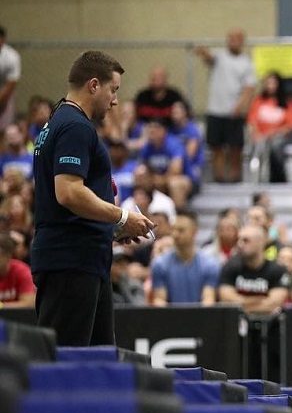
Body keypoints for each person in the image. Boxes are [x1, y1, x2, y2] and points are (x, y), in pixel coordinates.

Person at [30, 51, 154, 345]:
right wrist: (121, 216)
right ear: (94, 85)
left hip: (84, 260)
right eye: (114, 90)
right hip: (71, 262)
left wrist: (112, 228)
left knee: (98, 365)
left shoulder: (59, 122)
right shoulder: (74, 126)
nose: (115, 100)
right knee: (69, 367)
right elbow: (69, 192)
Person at [195, 29, 256, 183]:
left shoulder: (246, 62)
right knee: (217, 147)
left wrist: (240, 106)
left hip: (234, 112)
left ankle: (236, 177)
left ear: (242, 41)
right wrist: (203, 52)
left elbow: (249, 87)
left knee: (236, 147)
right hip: (215, 109)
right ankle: (219, 177)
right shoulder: (219, 56)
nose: (233, 41)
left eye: (237, 38)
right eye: (231, 38)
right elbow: (209, 59)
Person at [150, 211, 219, 305]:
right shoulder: (160, 264)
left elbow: (208, 300)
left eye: (181, 230)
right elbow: (159, 300)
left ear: (194, 232)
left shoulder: (209, 265)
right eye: (173, 229)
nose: (175, 234)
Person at [0, 231, 35, 308]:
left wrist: (2, 306)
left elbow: (28, 303)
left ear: (8, 255)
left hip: (16, 319)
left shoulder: (22, 271)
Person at [0, 25, 21, 133]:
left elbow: (11, 84)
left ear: (2, 39)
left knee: (5, 129)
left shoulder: (11, 56)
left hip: (5, 96)